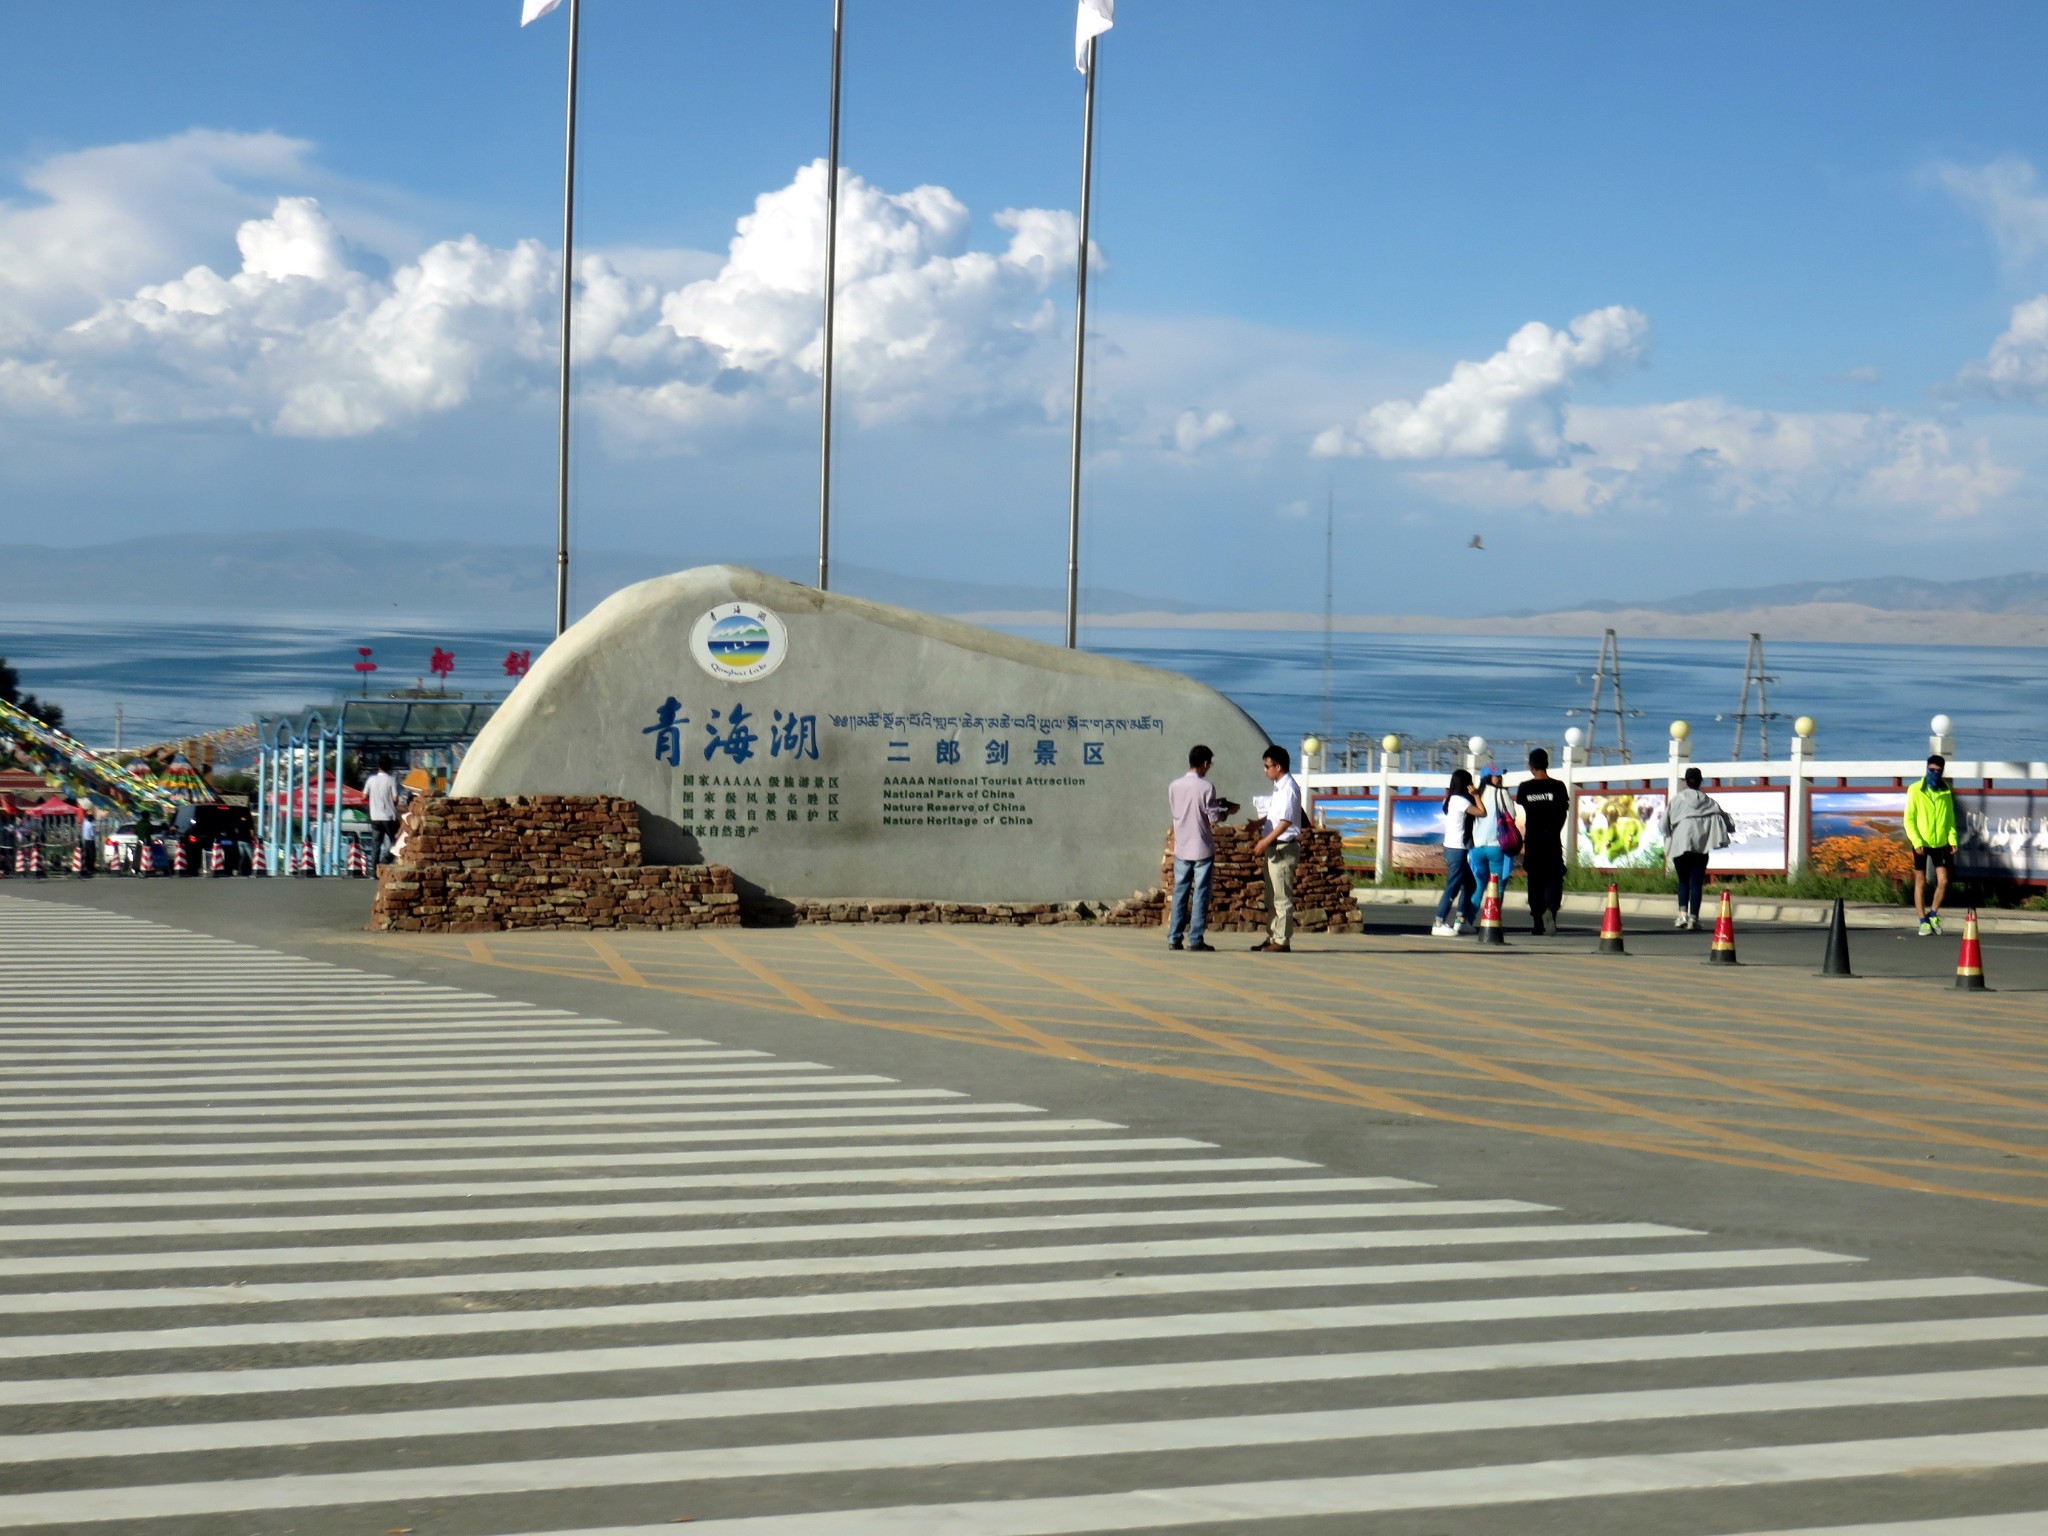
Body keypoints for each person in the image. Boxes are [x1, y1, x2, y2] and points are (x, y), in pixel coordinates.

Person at [1165, 744, 1237, 952]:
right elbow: (1213, 817)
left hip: (1182, 845)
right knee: (1200, 893)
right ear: (1205, 763)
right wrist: (1227, 811)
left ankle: (1174, 937)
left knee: (1180, 891)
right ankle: (1195, 938)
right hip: (1202, 846)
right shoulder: (1206, 787)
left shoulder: (1174, 786)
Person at [1662, 767, 1732, 929]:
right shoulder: (1708, 801)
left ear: (1686, 781)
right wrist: (1730, 828)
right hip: (1701, 847)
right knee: (1696, 882)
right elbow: (1724, 818)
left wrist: (1670, 834)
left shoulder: (1677, 800)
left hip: (1680, 846)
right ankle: (1694, 918)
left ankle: (1682, 916)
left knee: (1683, 881)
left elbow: (1664, 824)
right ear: (1700, 781)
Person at [1249, 744, 1302, 953]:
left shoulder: (1289, 788)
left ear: (1277, 766)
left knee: (1282, 896)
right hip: (1274, 847)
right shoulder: (1279, 787)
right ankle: (1273, 935)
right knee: (1271, 897)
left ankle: (1282, 940)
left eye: (1267, 766)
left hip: (1283, 848)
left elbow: (1286, 821)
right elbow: (1275, 814)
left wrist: (1265, 840)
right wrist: (1259, 823)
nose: (1265, 770)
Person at [1515, 748, 1570, 935]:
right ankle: (1551, 911)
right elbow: (1563, 813)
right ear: (1547, 764)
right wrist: (1554, 831)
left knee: (1535, 880)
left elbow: (1521, 812)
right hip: (1552, 841)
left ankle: (1538, 922)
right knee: (1554, 877)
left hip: (1533, 841)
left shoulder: (1525, 788)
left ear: (1531, 767)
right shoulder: (1559, 787)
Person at [1906, 753, 1959, 936]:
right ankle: (1922, 921)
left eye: (1938, 770)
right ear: (1927, 768)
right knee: (1920, 882)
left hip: (1940, 842)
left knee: (1943, 881)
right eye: (1931, 770)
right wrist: (1916, 841)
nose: (1934, 773)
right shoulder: (1915, 789)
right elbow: (1909, 819)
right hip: (1921, 842)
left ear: (1942, 771)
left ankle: (1933, 914)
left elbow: (1950, 818)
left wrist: (1952, 839)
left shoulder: (1946, 791)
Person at [1430, 768, 1483, 936]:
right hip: (1457, 849)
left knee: (1470, 884)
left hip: (1451, 848)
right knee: (1452, 887)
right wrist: (1476, 795)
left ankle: (1461, 920)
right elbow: (1482, 812)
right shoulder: (1461, 800)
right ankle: (1439, 922)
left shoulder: (1450, 799)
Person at [1465, 765, 1520, 924]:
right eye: (1496, 776)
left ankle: (1466, 919)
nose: (1500, 778)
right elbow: (1512, 814)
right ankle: (1493, 920)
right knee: (1499, 885)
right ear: (1488, 777)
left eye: (1500, 775)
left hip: (1476, 849)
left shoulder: (1475, 795)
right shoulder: (1501, 793)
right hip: (1496, 846)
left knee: (1479, 885)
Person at [365, 758, 403, 866]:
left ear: (379, 766)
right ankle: (385, 859)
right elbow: (395, 798)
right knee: (395, 840)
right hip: (389, 816)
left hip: (374, 816)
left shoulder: (371, 779)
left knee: (376, 844)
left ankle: (374, 870)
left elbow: (364, 795)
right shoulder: (391, 780)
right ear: (390, 767)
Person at [76, 803, 96, 878]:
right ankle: (91, 867)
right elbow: (92, 834)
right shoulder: (90, 824)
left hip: (85, 840)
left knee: (87, 854)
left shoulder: (85, 823)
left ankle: (88, 867)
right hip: (90, 840)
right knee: (92, 855)